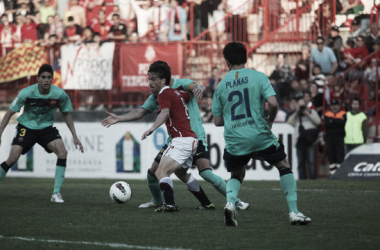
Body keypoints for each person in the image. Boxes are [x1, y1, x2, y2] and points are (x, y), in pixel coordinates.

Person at [102, 61, 249, 211]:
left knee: (204, 172)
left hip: (194, 136)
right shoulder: (160, 94)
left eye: (152, 79)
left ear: (162, 79)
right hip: (175, 139)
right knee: (156, 172)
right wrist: (119, 118)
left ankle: (234, 200)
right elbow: (141, 111)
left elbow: (192, 87)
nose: (149, 83)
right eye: (149, 79)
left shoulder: (178, 85)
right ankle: (162, 201)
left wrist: (198, 87)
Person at [212, 41, 311, 226]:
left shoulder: (221, 85)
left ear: (227, 61)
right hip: (259, 134)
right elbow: (273, 103)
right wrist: (271, 120)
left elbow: (217, 121)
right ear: (246, 58)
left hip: (235, 139)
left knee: (236, 175)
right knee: (283, 165)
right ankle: (294, 212)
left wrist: (233, 119)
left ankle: (230, 203)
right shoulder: (258, 77)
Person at [0, 64, 84, 203]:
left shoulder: (59, 95)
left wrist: (75, 137)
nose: (46, 80)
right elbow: (9, 113)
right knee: (12, 159)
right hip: (26, 127)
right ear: (38, 78)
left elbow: (66, 114)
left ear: (52, 79)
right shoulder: (26, 93)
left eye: (49, 77)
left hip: (45, 128)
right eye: (43, 77)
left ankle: (56, 193)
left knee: (63, 152)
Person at [287, 98, 321, 180]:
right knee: (301, 163)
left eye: (303, 105)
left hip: (310, 142)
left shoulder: (311, 112)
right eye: (300, 105)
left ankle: (313, 179)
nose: (301, 107)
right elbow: (289, 122)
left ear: (306, 105)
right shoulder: (297, 115)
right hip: (299, 142)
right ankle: (302, 180)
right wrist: (296, 112)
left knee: (312, 162)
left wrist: (307, 114)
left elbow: (318, 122)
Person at [324, 99, 346, 175]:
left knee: (339, 155)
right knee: (331, 156)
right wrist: (338, 121)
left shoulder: (343, 113)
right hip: (330, 138)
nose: (335, 107)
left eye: (336, 105)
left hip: (339, 137)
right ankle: (333, 174)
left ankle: (339, 174)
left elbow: (343, 123)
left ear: (339, 106)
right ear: (331, 106)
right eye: (333, 105)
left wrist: (332, 120)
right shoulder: (327, 114)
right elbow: (327, 124)